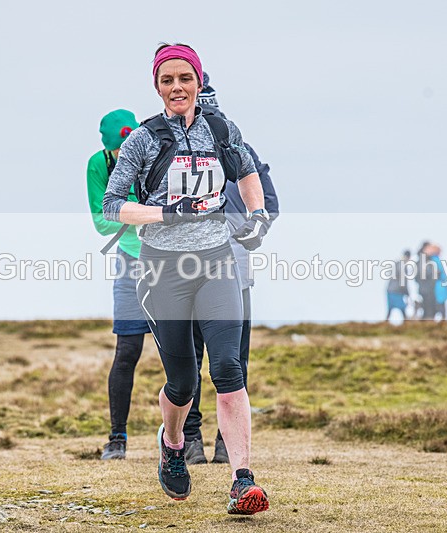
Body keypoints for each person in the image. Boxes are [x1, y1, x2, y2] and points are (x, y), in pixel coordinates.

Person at [102, 43, 270, 515]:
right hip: (163, 268)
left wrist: (257, 215)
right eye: (167, 80)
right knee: (182, 382)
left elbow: (247, 171)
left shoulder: (222, 128)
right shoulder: (144, 139)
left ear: (198, 82)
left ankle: (242, 480)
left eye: (185, 78)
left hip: (216, 262)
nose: (177, 87)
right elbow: (113, 205)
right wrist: (165, 214)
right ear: (157, 87)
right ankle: (173, 444)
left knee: (229, 369)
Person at [182, 73, 280, 466]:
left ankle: (222, 443)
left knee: (225, 361)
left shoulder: (239, 150)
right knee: (192, 361)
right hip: (189, 272)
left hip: (233, 272)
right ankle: (191, 439)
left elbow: (268, 204)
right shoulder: (173, 150)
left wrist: (245, 232)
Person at [86, 109, 150, 460]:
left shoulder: (153, 153)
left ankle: (187, 440)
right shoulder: (98, 165)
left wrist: (125, 210)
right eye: (117, 151)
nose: (123, 156)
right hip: (129, 263)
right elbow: (101, 223)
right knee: (127, 352)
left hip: (170, 262)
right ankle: (117, 438)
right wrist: (141, 212)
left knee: (180, 354)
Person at [415, 242, 438, 320]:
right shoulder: (423, 260)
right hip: (426, 288)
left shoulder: (426, 259)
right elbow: (421, 274)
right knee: (429, 309)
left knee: (430, 309)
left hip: (427, 288)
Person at [386, 250, 411, 322]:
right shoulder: (403, 265)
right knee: (402, 308)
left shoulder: (398, 263)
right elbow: (402, 281)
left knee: (391, 309)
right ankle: (406, 323)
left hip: (391, 290)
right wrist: (407, 292)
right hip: (396, 291)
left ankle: (385, 323)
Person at [430, 244, 447, 320]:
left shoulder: (434, 260)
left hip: (439, 287)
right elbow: (441, 273)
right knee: (440, 308)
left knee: (438, 307)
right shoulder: (436, 260)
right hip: (439, 287)